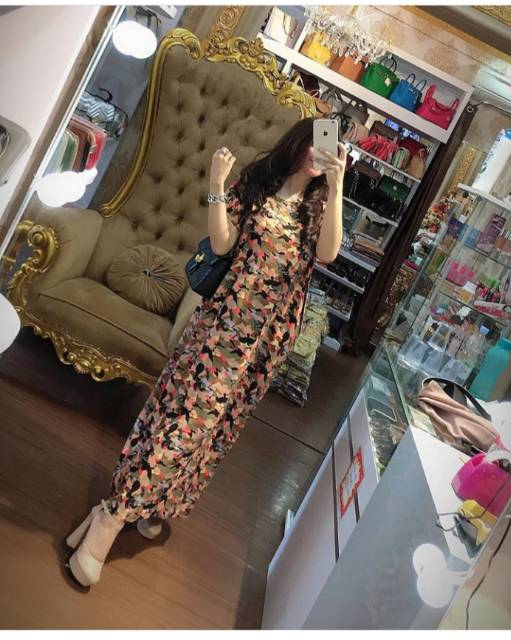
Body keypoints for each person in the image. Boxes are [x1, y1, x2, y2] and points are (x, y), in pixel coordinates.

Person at [64, 117, 346, 588]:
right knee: (180, 422)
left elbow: (329, 254)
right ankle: (112, 516)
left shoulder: (318, 208)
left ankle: (152, 504)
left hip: (265, 346)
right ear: (299, 142)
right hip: (223, 330)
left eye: (330, 147)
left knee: (213, 434)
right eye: (316, 143)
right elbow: (221, 243)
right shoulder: (258, 184)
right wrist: (216, 185)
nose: (321, 154)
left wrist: (337, 189)